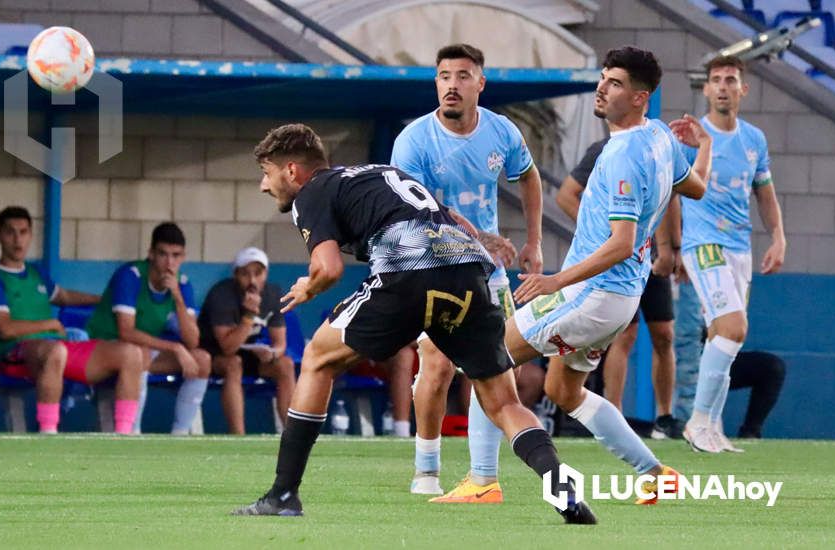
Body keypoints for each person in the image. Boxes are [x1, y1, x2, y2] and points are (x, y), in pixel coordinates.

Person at [232, 123, 595, 524]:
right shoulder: (378, 174)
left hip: (410, 270)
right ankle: (564, 491)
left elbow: (328, 268)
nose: (265, 186)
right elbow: (454, 218)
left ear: (292, 171)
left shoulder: (312, 193)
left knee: (318, 357)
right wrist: (483, 243)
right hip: (469, 269)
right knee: (503, 401)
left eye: (267, 173)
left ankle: (283, 494)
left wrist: (309, 286)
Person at [502, 46, 710, 504]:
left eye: (614, 83)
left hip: (591, 293)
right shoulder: (659, 137)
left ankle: (481, 482)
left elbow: (620, 243)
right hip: (618, 301)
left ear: (639, 97)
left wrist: (557, 280)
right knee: (562, 389)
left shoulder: (620, 154)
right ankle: (656, 472)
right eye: (603, 78)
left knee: (489, 357)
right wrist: (704, 148)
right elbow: (696, 186)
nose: (601, 88)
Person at [390, 43, 544, 501]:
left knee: (496, 370)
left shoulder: (501, 132)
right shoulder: (414, 141)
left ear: (480, 83)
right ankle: (427, 471)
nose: (451, 85)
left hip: (489, 273)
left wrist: (533, 242)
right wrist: (477, 235)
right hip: (434, 265)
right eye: (443, 76)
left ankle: (483, 479)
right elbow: (416, 211)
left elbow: (530, 176)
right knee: (435, 366)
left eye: (462, 76)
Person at [678, 55, 786, 453]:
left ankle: (713, 428)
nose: (723, 86)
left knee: (723, 337)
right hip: (703, 243)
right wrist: (670, 247)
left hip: (740, 249)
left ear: (743, 89)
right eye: (716, 80)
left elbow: (764, 193)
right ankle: (698, 421)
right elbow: (676, 195)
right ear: (706, 89)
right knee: (733, 327)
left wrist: (778, 236)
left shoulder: (754, 139)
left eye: (730, 80)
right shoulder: (692, 136)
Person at [0, 206, 144, 434]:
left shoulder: (35, 273)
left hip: (55, 347)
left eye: (23, 232)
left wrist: (104, 300)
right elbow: (4, 328)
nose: (17, 240)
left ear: (31, 235)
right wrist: (49, 324)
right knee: (56, 352)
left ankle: (124, 433)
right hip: (15, 354)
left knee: (131, 354)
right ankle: (48, 432)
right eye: (10, 232)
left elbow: (63, 296)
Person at [557, 138, 684, 439]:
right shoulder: (603, 150)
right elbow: (566, 195)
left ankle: (664, 418)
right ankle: (612, 414)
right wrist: (602, 233)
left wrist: (672, 249)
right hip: (618, 262)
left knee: (665, 334)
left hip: (649, 259)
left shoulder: (656, 148)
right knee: (623, 335)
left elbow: (673, 196)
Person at [86, 222, 211, 435]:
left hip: (142, 350)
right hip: (104, 348)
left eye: (176, 255)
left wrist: (178, 298)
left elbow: (192, 342)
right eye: (163, 254)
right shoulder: (131, 275)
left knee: (202, 360)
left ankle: (180, 435)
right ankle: (133, 432)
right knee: (139, 354)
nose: (169, 262)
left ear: (183, 257)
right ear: (151, 253)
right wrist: (175, 348)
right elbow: (126, 331)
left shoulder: (182, 283)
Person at [199, 247, 296, 434]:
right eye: (245, 274)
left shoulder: (272, 294)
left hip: (250, 353)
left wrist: (272, 353)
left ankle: (294, 434)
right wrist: (249, 315)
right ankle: (239, 436)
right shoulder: (222, 294)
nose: (252, 280)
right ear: (236, 275)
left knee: (285, 365)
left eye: (258, 273)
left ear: (266, 274)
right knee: (233, 364)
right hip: (214, 354)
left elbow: (280, 343)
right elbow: (227, 348)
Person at [673, 280, 786, 438]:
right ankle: (682, 424)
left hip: (710, 356)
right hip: (681, 363)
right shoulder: (681, 281)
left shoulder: (720, 277)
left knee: (772, 367)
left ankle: (750, 433)